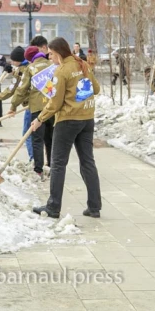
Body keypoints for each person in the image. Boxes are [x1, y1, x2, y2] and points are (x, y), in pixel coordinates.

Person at [32, 37, 102, 219]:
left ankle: (53, 207)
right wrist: (79, 93)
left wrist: (39, 119)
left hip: (67, 121)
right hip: (87, 119)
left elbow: (55, 103)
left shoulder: (61, 71)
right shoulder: (82, 64)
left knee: (57, 164)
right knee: (87, 162)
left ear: (59, 53)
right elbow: (96, 89)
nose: (51, 58)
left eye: (52, 55)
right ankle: (94, 207)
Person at [9, 46, 55, 178]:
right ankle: (53, 167)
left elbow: (22, 89)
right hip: (52, 108)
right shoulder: (52, 65)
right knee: (50, 138)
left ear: (29, 58)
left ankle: (38, 169)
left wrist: (13, 106)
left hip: (37, 108)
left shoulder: (31, 68)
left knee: (37, 139)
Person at [0, 46, 32, 158]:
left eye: (13, 60)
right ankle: (39, 161)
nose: (12, 62)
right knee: (36, 136)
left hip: (31, 106)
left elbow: (16, 89)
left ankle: (34, 161)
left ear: (18, 60)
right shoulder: (27, 67)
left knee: (28, 135)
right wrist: (13, 71)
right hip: (34, 105)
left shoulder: (24, 71)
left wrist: (10, 105)